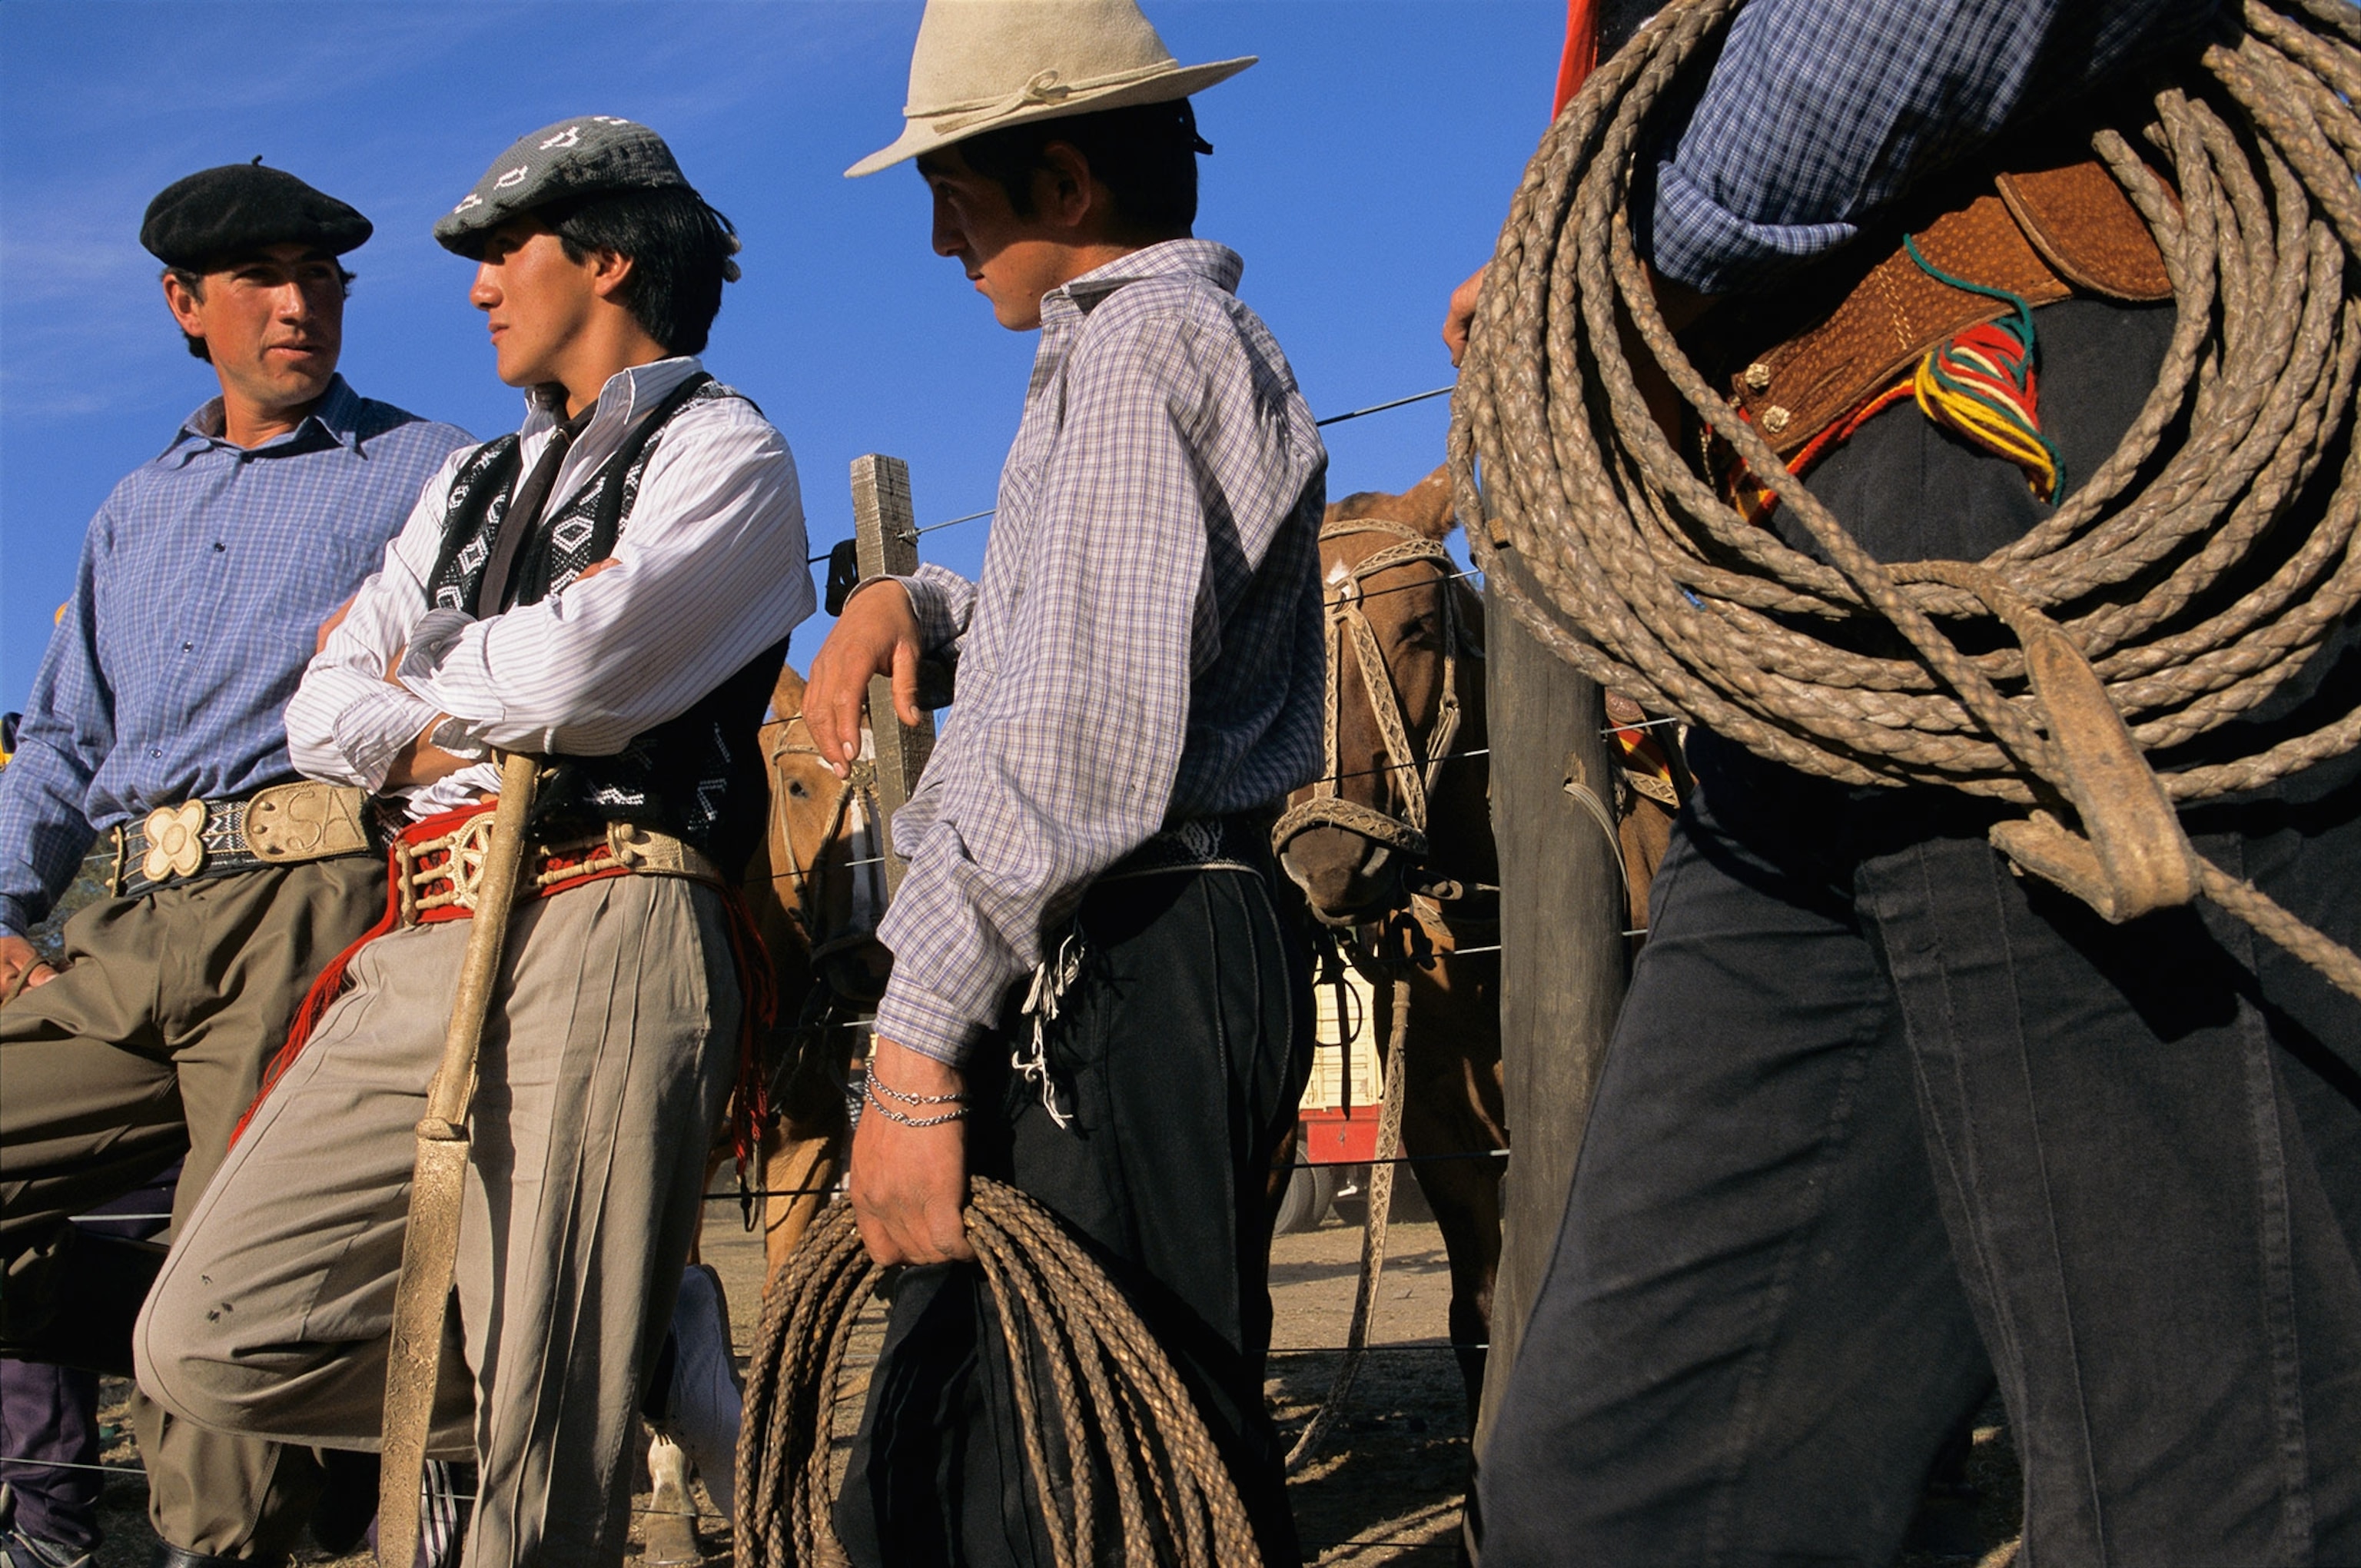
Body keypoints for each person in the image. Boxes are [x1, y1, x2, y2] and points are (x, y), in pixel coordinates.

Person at [1468, 2, 2361, 1564]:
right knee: (1625, 1485)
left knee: (2204, 1472)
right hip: (1828, 552)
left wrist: (1623, 259)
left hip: (2051, 431)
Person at [132, 117, 812, 1559]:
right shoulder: (465, 490)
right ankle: (620, 1361)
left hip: (607, 918)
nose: (478, 287)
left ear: (610, 257)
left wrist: (423, 685)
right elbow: (320, 714)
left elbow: (585, 678)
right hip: (426, 934)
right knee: (202, 1336)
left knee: (525, 1509)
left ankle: (576, 1383)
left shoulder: (729, 453)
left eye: (507, 251)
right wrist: (475, 695)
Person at [809, 2, 1327, 1563]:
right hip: (1152, 926)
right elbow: (1101, 631)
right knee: (993, 1454)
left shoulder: (1131, 361)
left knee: (1091, 1476)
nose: (939, 238)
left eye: (949, 193)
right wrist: (930, 607)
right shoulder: (1160, 351)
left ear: (1058, 186)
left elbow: (1086, 740)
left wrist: (912, 1049)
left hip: (1132, 944)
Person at [0, 161, 473, 1568]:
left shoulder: (429, 468)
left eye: (321, 277)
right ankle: (285, 1344)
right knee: (191, 1297)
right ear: (183, 305)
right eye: (263, 279)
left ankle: (246, 1504)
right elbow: (63, 745)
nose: (299, 303)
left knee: (225, 1380)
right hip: (125, 928)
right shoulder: (133, 508)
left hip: (310, 905)